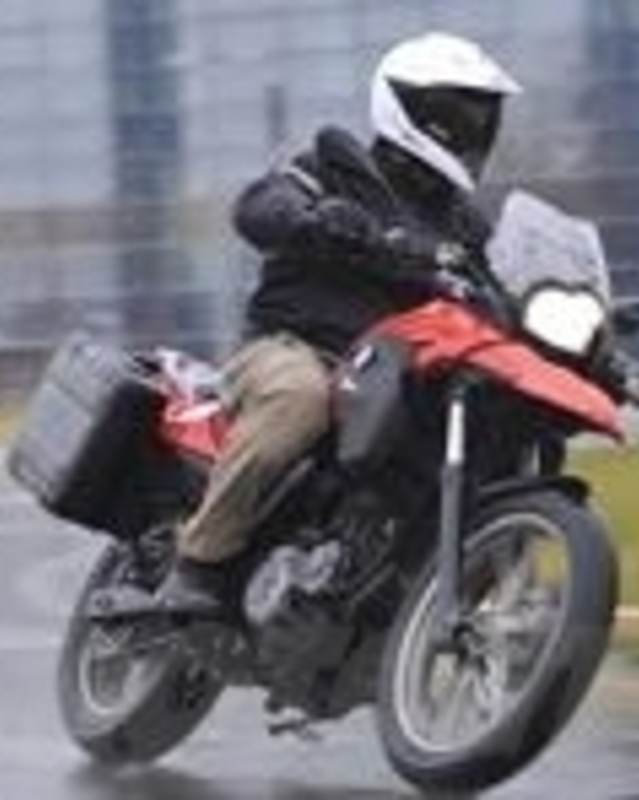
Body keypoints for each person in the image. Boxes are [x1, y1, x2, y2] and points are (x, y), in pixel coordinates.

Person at [120, 31, 520, 618]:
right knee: (301, 397)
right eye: (459, 113)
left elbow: (502, 293)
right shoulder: (336, 168)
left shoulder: (465, 228)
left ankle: (422, 598)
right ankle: (198, 563)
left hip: (396, 378)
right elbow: (260, 206)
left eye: (482, 115)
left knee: (503, 424)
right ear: (412, 110)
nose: (473, 128)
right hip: (295, 349)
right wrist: (311, 219)